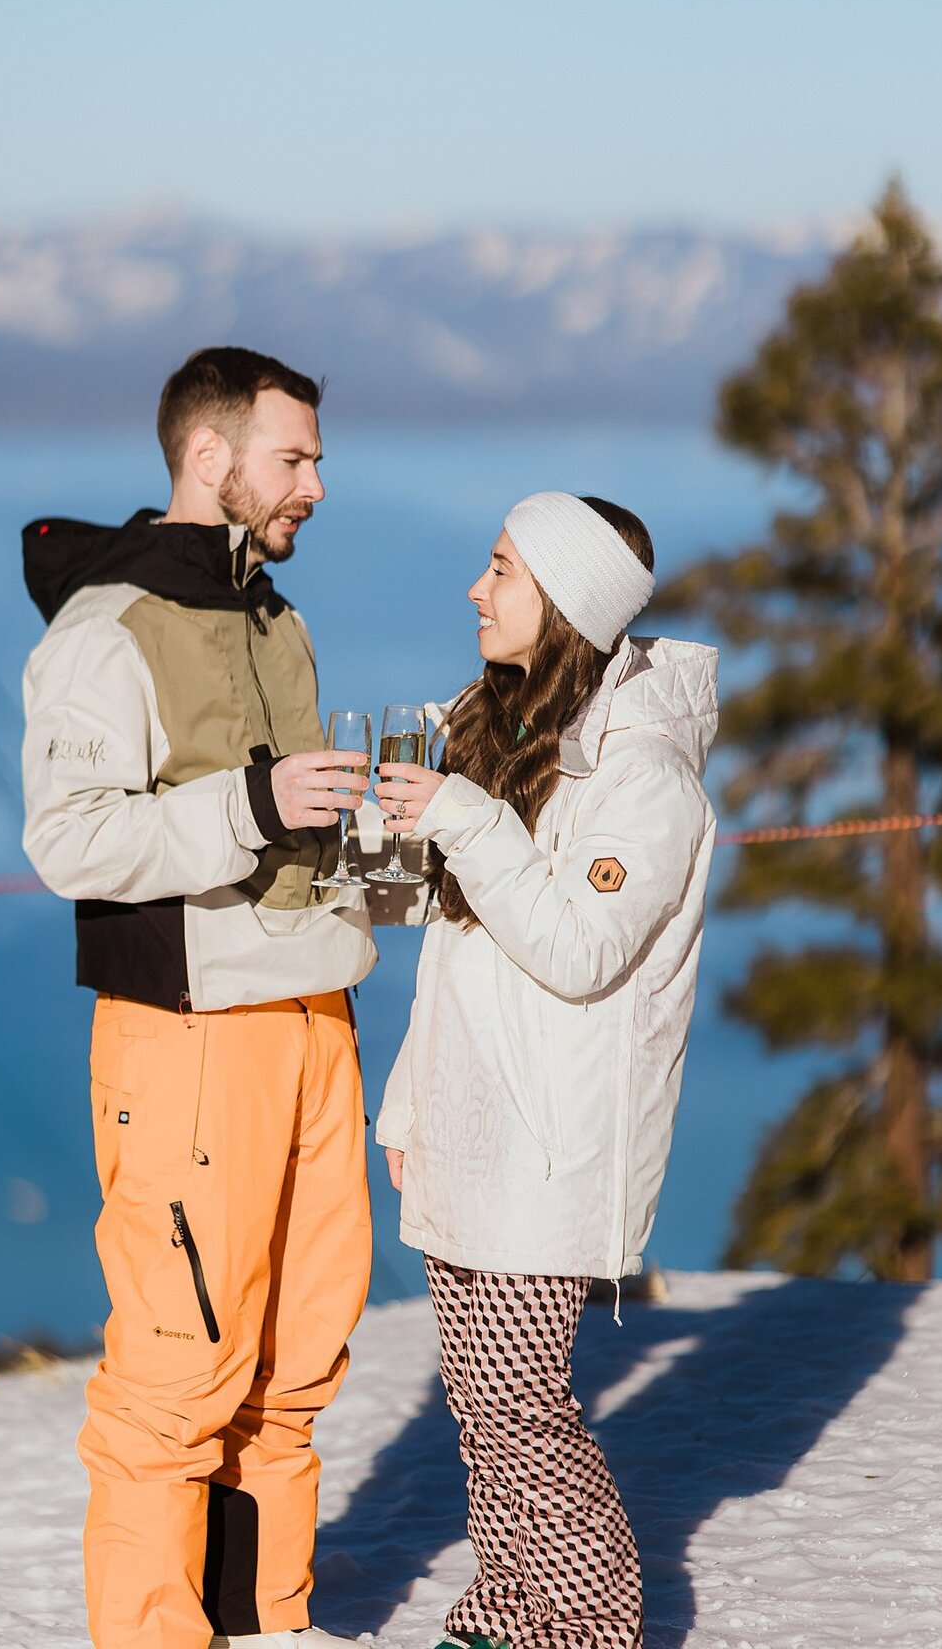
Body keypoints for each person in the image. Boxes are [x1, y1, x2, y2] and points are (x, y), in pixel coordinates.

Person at [21, 347, 376, 1649]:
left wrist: (374, 860)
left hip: (310, 1022)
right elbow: (71, 840)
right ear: (210, 459)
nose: (319, 486)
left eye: (320, 459)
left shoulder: (276, 618)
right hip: (188, 1042)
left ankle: (266, 1629)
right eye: (296, 458)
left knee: (293, 1373)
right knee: (177, 1379)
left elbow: (277, 839)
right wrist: (254, 806)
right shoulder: (103, 630)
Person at [373, 491, 719, 1649]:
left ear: (568, 603)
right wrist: (411, 1102)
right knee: (481, 1415)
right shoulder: (506, 729)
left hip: (551, 1147)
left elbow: (579, 952)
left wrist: (465, 822)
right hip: (473, 1129)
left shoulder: (646, 774)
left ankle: (583, 1626)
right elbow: (461, 955)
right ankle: (506, 1614)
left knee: (525, 1410)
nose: (477, 588)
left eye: (504, 570)